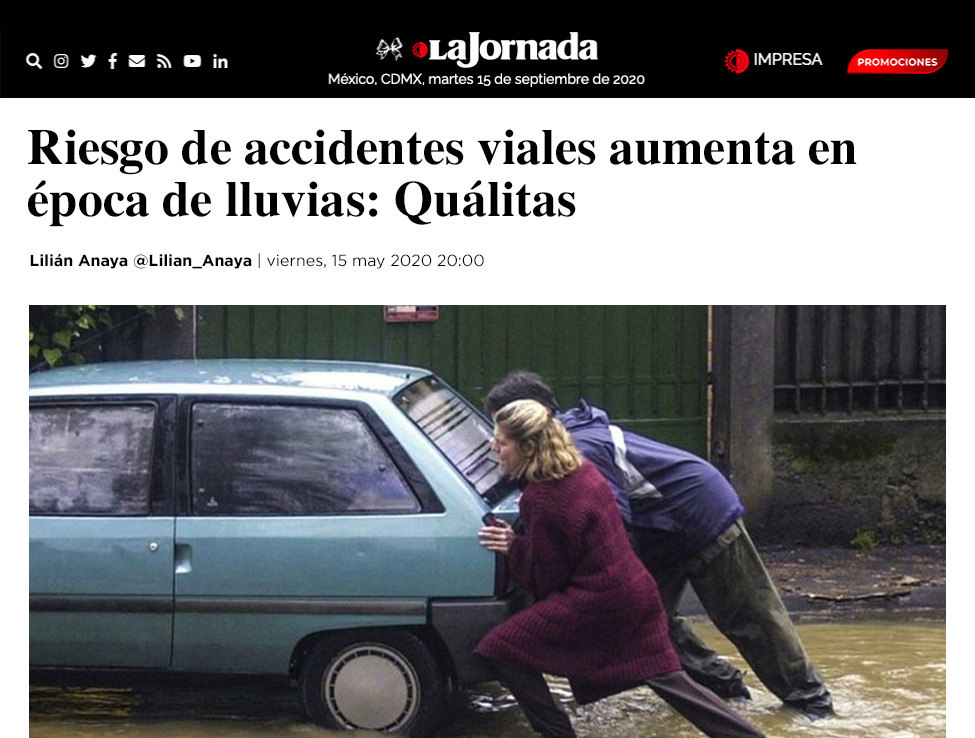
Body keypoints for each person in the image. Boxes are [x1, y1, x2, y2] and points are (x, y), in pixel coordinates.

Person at [484, 372, 833, 718]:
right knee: (649, 626)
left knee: (751, 620)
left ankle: (812, 705)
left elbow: (613, 523)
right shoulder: (560, 444)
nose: (495, 440)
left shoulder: (579, 450)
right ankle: (726, 691)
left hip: (701, 514)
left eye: (503, 425)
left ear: (538, 416)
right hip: (661, 531)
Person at [475, 399, 765, 738]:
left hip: (600, 603)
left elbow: (546, 577)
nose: (494, 447)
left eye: (502, 442)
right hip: (633, 591)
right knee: (670, 680)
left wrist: (514, 547)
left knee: (501, 648)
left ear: (527, 448)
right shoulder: (580, 469)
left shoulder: (541, 498)